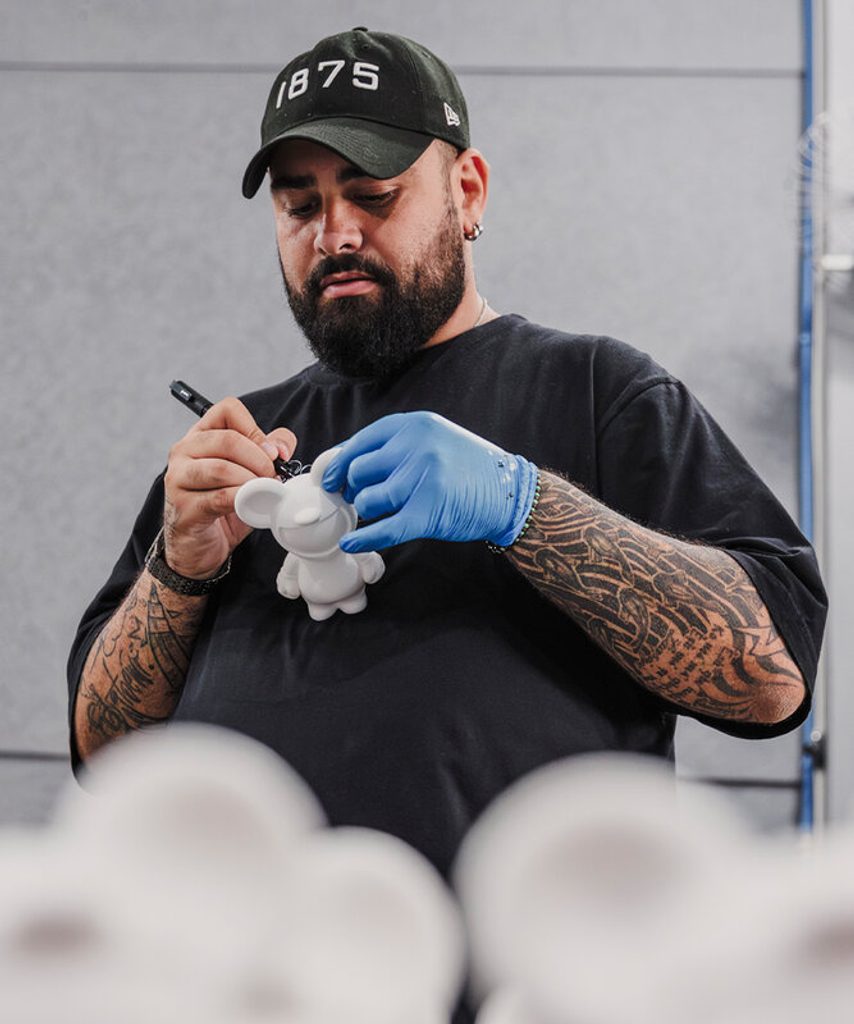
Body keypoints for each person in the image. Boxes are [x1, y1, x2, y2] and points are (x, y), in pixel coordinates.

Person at [68, 27, 826, 883]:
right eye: (300, 206)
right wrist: (180, 570)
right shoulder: (238, 452)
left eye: (374, 194)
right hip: (254, 956)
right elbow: (106, 758)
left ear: (467, 191)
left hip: (522, 958)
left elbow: (770, 679)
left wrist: (524, 506)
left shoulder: (599, 394)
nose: (335, 234)